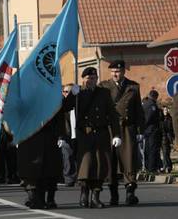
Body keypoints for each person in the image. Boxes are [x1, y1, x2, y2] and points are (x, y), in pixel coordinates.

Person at [67, 67, 121, 209]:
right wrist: (72, 95)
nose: (91, 81)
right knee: (86, 165)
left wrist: (116, 134)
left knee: (100, 165)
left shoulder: (104, 93)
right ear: (83, 79)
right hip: (85, 133)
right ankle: (84, 194)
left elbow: (113, 115)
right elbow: (65, 107)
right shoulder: (79, 93)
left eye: (94, 78)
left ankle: (95, 197)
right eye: (89, 78)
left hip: (101, 133)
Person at [99, 60, 144, 206]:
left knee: (129, 160)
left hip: (127, 128)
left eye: (117, 72)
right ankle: (114, 194)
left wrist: (139, 130)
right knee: (111, 161)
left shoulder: (133, 87)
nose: (115, 74)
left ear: (124, 71)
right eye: (112, 72)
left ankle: (130, 192)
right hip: (110, 129)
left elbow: (138, 111)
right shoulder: (104, 86)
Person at [17, 108, 65, 209]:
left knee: (49, 168)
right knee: (30, 170)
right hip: (29, 134)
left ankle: (47, 198)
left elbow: (61, 109)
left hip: (48, 133)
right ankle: (34, 197)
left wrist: (60, 135)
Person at [60, 83, 77, 187]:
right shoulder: (60, 104)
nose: (67, 94)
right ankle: (69, 178)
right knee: (67, 156)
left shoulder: (77, 103)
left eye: (69, 92)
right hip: (66, 134)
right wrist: (60, 137)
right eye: (65, 92)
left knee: (79, 157)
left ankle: (80, 178)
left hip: (78, 134)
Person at [142, 90, 162, 173]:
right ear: (155, 97)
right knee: (152, 149)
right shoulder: (152, 105)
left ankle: (147, 167)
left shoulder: (144, 103)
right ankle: (152, 168)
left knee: (147, 149)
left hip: (146, 130)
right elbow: (149, 117)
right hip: (152, 130)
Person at [160, 107, 174, 173]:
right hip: (163, 138)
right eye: (164, 110)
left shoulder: (170, 119)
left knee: (166, 153)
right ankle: (167, 166)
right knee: (164, 153)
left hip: (168, 138)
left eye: (166, 110)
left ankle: (168, 166)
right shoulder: (161, 119)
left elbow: (170, 129)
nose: (165, 111)